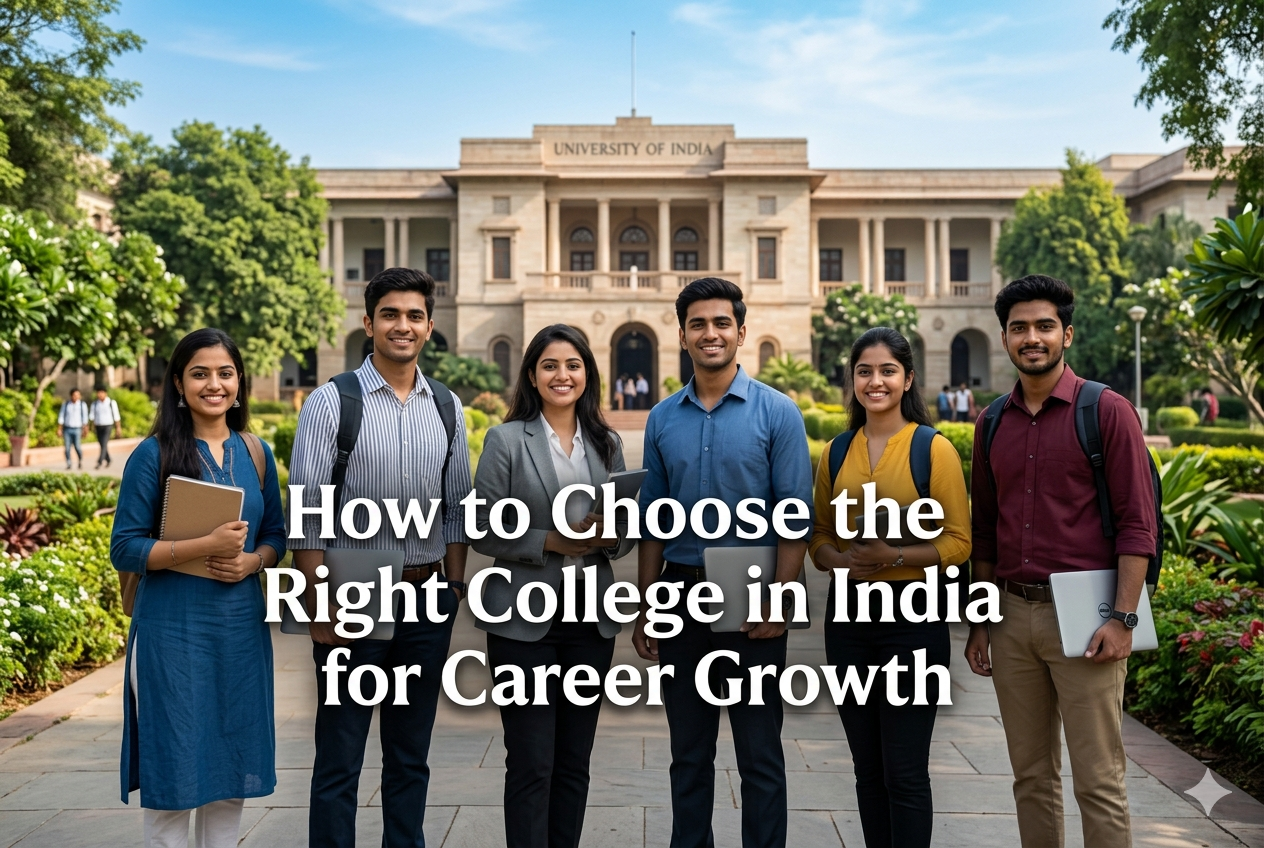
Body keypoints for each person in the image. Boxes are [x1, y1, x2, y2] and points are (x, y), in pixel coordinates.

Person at [964, 275, 1157, 848]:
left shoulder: (1107, 411)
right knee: (1031, 778)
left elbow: (1137, 525)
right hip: (1010, 617)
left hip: (1086, 618)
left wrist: (1123, 619)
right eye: (1019, 327)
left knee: (1098, 780)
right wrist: (980, 621)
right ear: (1004, 337)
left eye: (1045, 326)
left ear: (1066, 334)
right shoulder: (991, 423)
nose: (1032, 337)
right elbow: (984, 533)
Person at [288, 267, 472, 848]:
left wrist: (453, 587)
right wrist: (317, 602)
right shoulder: (331, 402)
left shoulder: (447, 407)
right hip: (353, 594)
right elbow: (308, 513)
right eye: (390, 314)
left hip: (426, 597)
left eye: (414, 315)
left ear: (430, 327)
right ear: (368, 323)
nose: (402, 326)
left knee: (410, 756)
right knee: (340, 756)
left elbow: (457, 509)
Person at [633, 277, 813, 848]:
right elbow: (653, 522)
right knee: (688, 752)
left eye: (720, 323)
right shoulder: (662, 418)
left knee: (759, 751)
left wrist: (781, 599)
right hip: (680, 596)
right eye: (698, 324)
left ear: (741, 331)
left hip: (752, 593)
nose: (709, 333)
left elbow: (795, 518)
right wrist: (645, 606)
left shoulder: (778, 413)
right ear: (682, 334)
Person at [110, 328, 287, 848]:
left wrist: (253, 561)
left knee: (230, 776)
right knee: (175, 776)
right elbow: (125, 548)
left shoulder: (256, 453)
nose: (215, 384)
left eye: (225, 373)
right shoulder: (153, 454)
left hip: (239, 633)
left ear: (240, 381)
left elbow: (276, 536)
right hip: (171, 634)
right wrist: (203, 545)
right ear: (178, 384)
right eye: (200, 373)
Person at [472, 324, 636, 848]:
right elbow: (481, 526)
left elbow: (626, 532)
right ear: (532, 376)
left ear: (588, 374)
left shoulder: (606, 443)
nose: (561, 375)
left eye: (572, 365)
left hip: (590, 623)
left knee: (572, 762)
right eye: (549, 366)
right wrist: (549, 540)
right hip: (522, 623)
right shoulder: (505, 440)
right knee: (531, 761)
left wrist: (611, 536)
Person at [809, 327, 970, 848]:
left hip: (913, 620)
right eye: (864, 371)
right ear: (852, 380)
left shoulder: (933, 449)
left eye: (887, 371)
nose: (874, 382)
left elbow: (959, 542)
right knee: (867, 768)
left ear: (908, 379)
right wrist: (838, 561)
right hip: (849, 620)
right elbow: (818, 535)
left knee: (905, 770)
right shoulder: (835, 453)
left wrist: (894, 556)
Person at [91, 387, 123, 468]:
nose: (100, 395)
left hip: (108, 425)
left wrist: (118, 427)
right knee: (102, 444)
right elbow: (92, 416)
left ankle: (100, 461)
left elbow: (116, 416)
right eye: (98, 393)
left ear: (105, 393)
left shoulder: (111, 403)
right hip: (98, 426)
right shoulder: (95, 404)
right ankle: (108, 459)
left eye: (101, 392)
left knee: (104, 443)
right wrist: (92, 426)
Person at [58, 388, 89, 470]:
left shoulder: (82, 405)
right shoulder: (66, 404)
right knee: (67, 448)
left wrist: (85, 429)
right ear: (71, 395)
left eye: (78, 395)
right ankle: (69, 463)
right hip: (67, 429)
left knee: (77, 447)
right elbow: (61, 417)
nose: (76, 397)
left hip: (77, 428)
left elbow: (85, 418)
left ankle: (80, 460)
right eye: (75, 395)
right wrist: (59, 429)